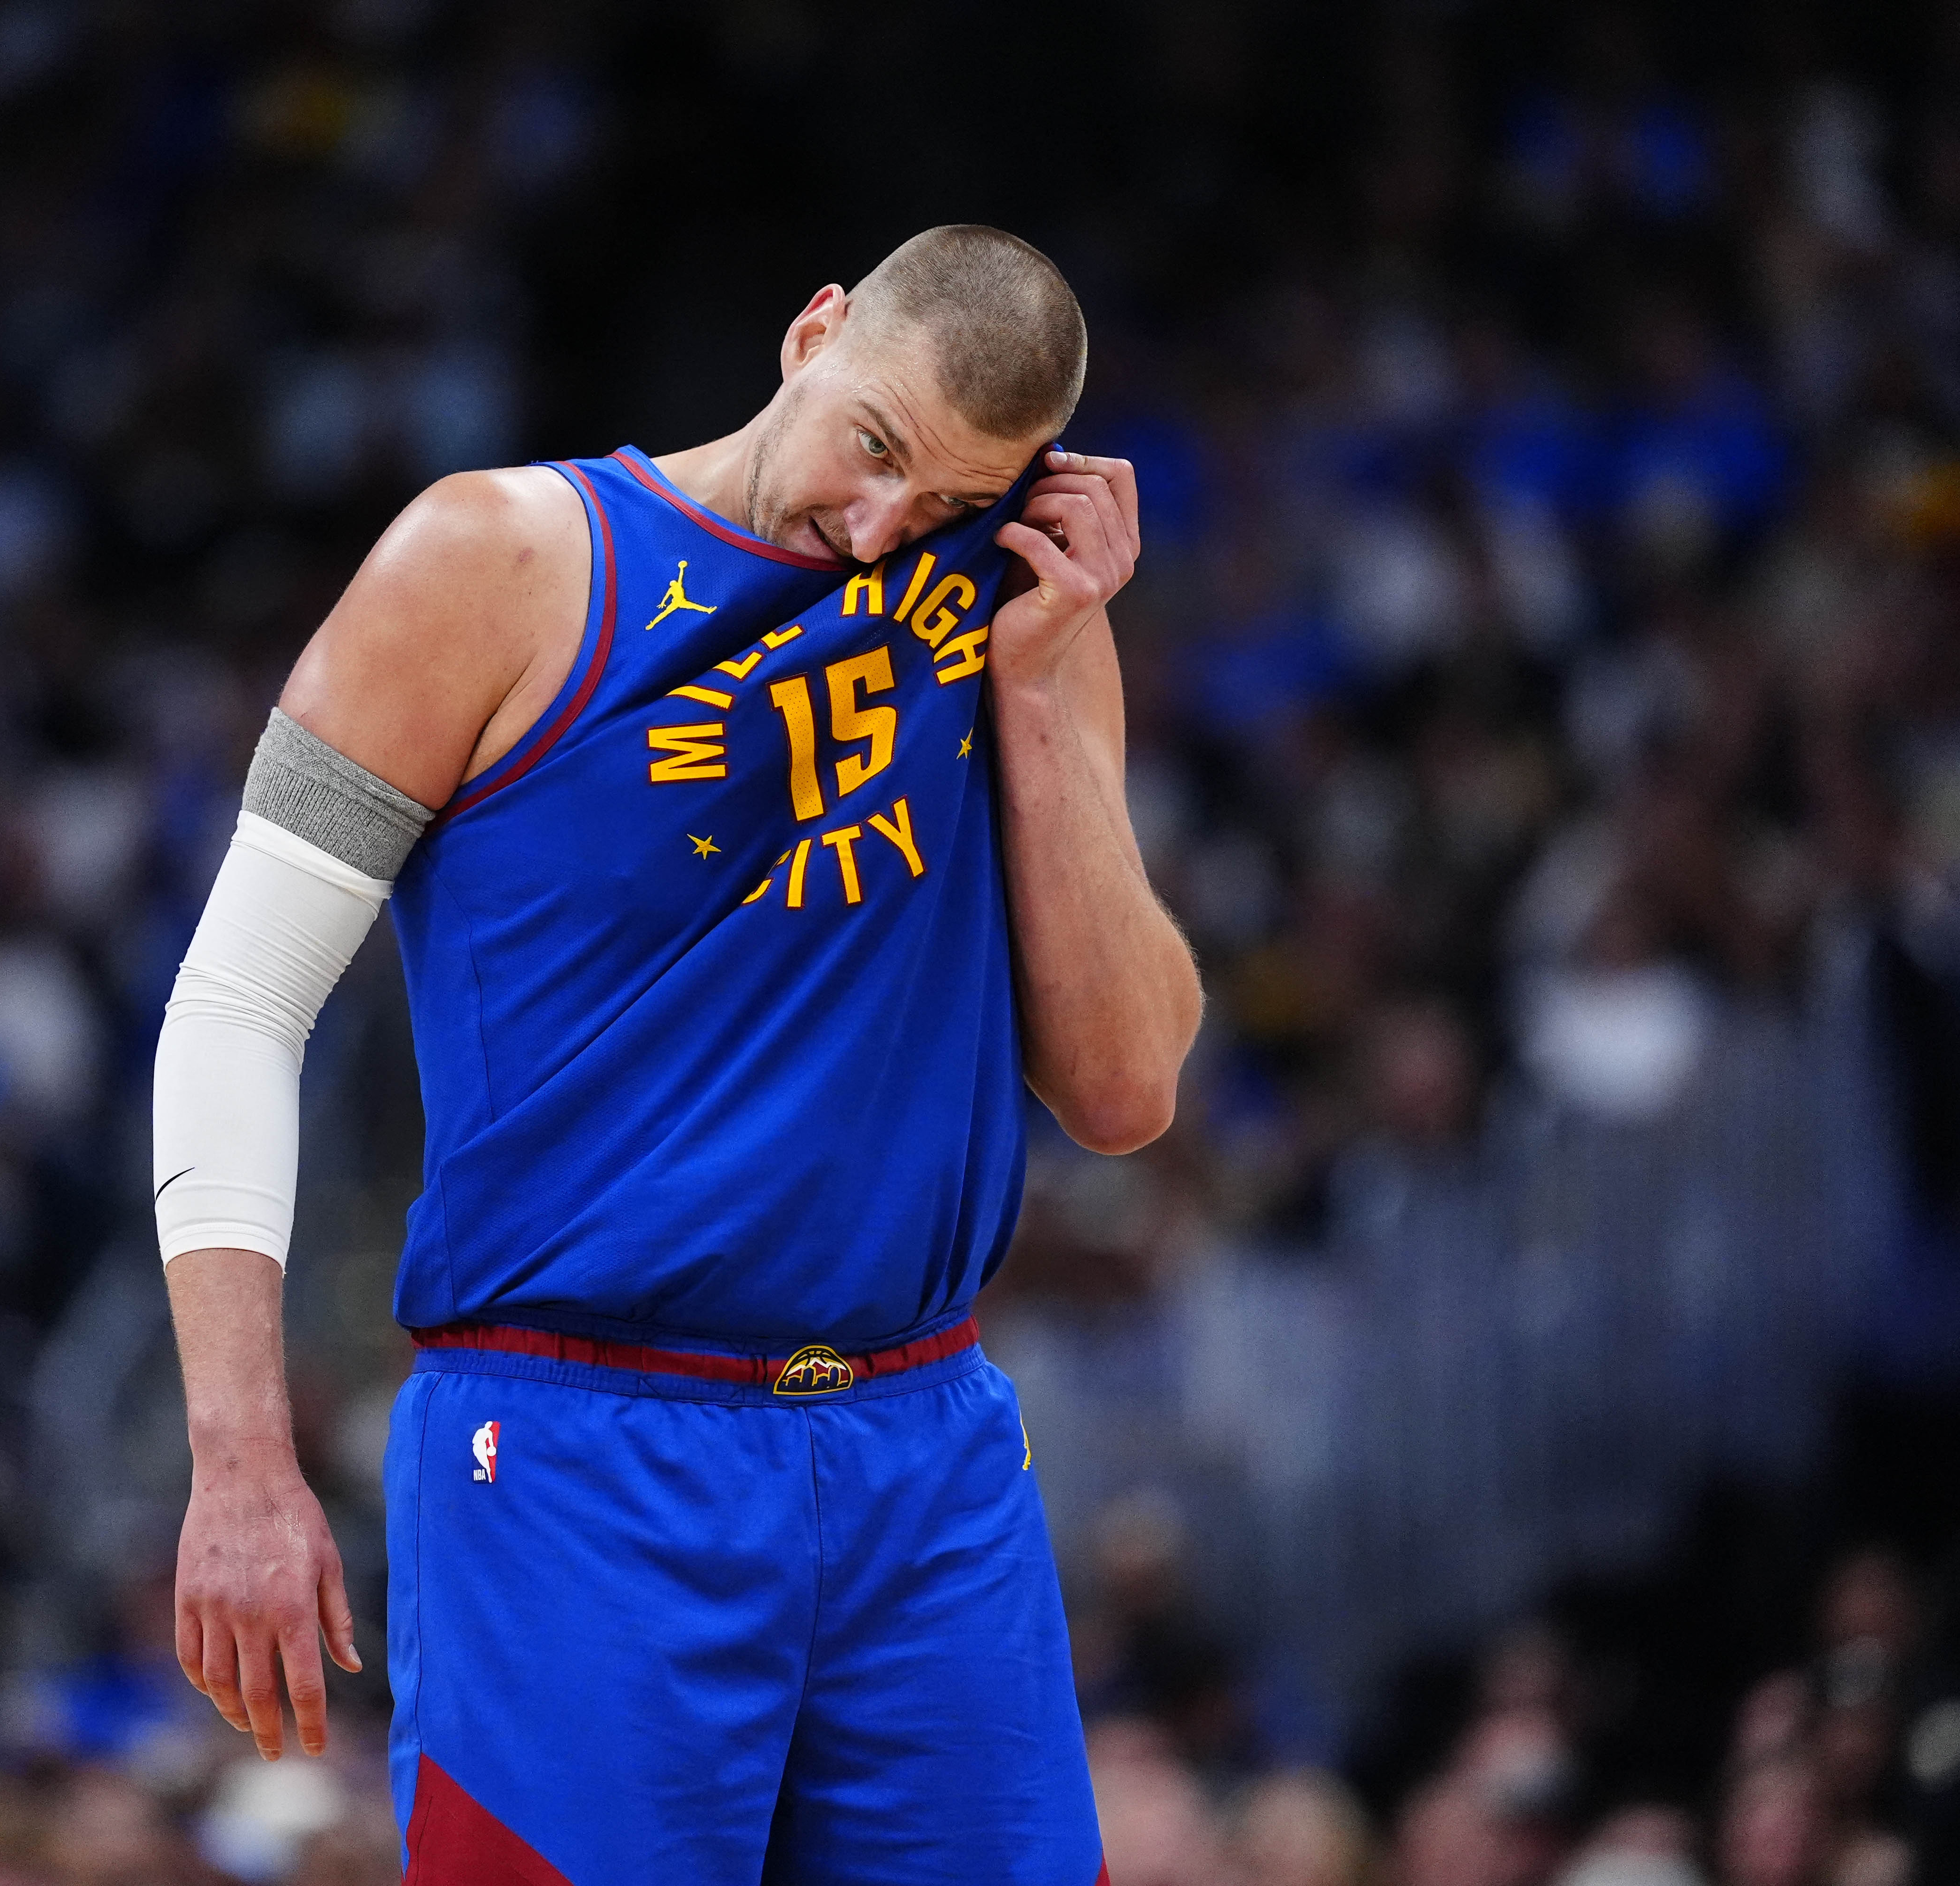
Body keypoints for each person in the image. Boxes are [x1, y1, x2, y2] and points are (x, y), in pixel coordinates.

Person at [151, 224, 1202, 1882]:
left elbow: (1130, 1091)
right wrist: (240, 1461)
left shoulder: (1007, 601)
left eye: (939, 503)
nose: (877, 532)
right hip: (575, 1453)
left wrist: (1053, 682)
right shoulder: (494, 557)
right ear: (812, 332)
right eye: (874, 451)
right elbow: (234, 1003)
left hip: (920, 1456)